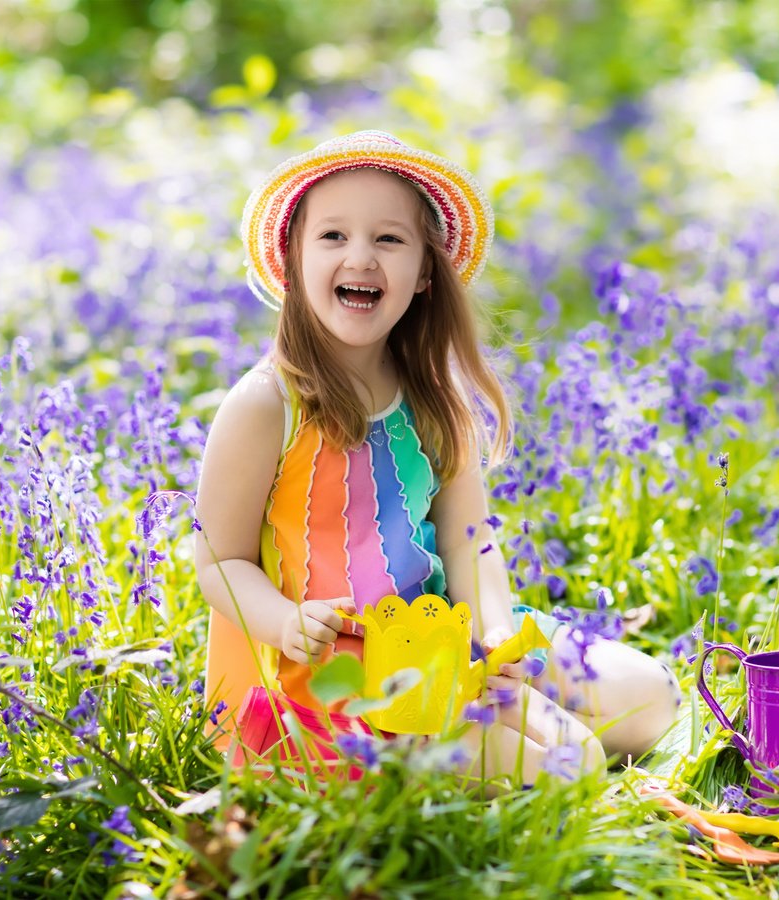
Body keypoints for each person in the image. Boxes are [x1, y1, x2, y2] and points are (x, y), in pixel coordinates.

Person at [195, 130, 680, 785]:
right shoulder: (264, 405)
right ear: (294, 260)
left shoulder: (432, 398)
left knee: (652, 695)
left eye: (389, 239)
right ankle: (409, 761)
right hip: (322, 676)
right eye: (333, 236)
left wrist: (495, 632)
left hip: (435, 641)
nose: (361, 257)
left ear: (425, 271)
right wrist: (283, 622)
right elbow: (218, 560)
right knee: (574, 764)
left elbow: (470, 543)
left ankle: (481, 738)